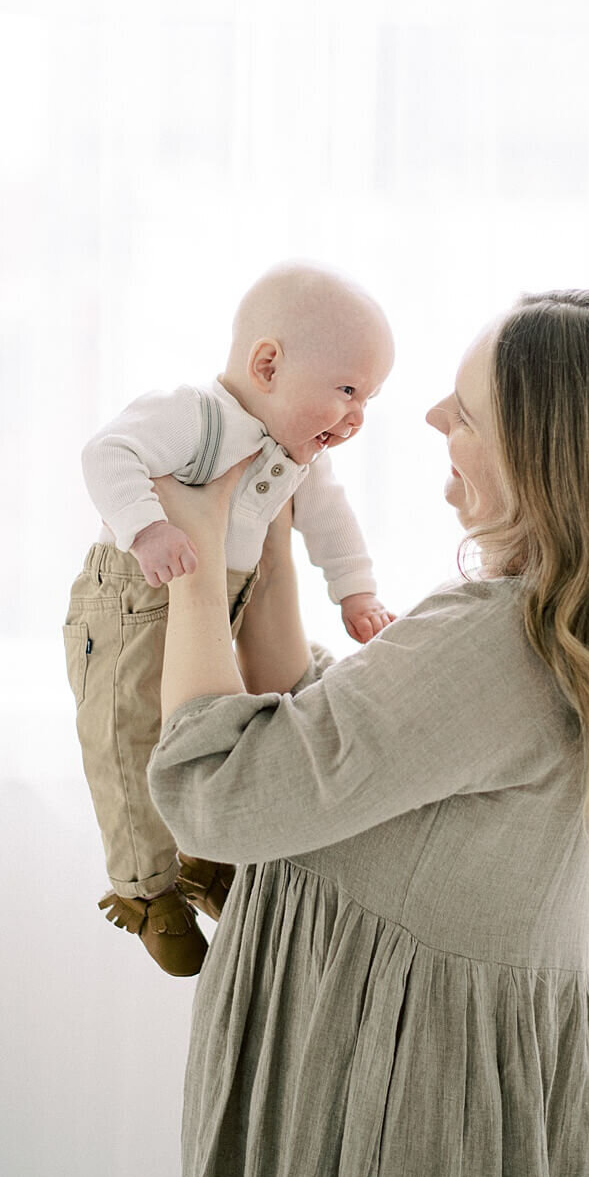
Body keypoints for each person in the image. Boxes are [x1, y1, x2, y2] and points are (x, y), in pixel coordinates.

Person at [145, 289, 589, 1177]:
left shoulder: (495, 643)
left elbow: (222, 794)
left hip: (373, 1108)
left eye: (465, 413)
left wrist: (197, 562)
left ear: (547, 461)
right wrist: (277, 541)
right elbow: (341, 737)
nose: (430, 420)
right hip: (423, 1089)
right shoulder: (565, 634)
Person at [62, 262, 396, 976]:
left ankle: (203, 857)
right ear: (268, 364)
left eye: (369, 399)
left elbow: (331, 523)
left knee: (210, 732)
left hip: (220, 595)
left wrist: (355, 592)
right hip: (131, 594)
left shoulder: (301, 454)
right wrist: (147, 527)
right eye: (346, 390)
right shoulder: (196, 414)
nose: (357, 415)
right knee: (128, 735)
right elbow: (107, 452)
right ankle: (146, 888)